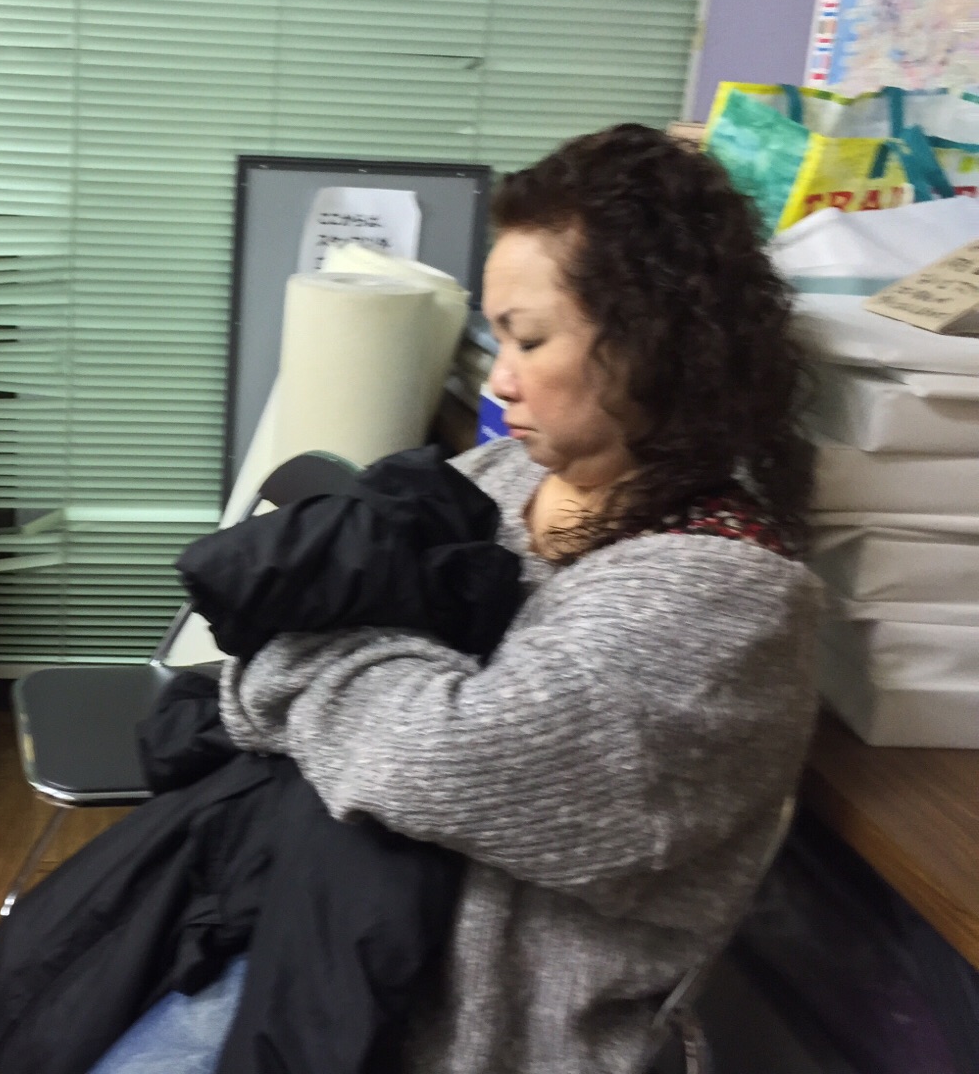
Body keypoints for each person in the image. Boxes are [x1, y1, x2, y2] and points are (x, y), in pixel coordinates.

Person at [105, 124, 822, 1073]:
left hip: (456, 1040)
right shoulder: (505, 475)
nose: (501, 380)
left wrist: (287, 668)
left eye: (531, 339)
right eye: (498, 339)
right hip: (297, 939)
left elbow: (429, 756)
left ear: (656, 341)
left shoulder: (726, 598)